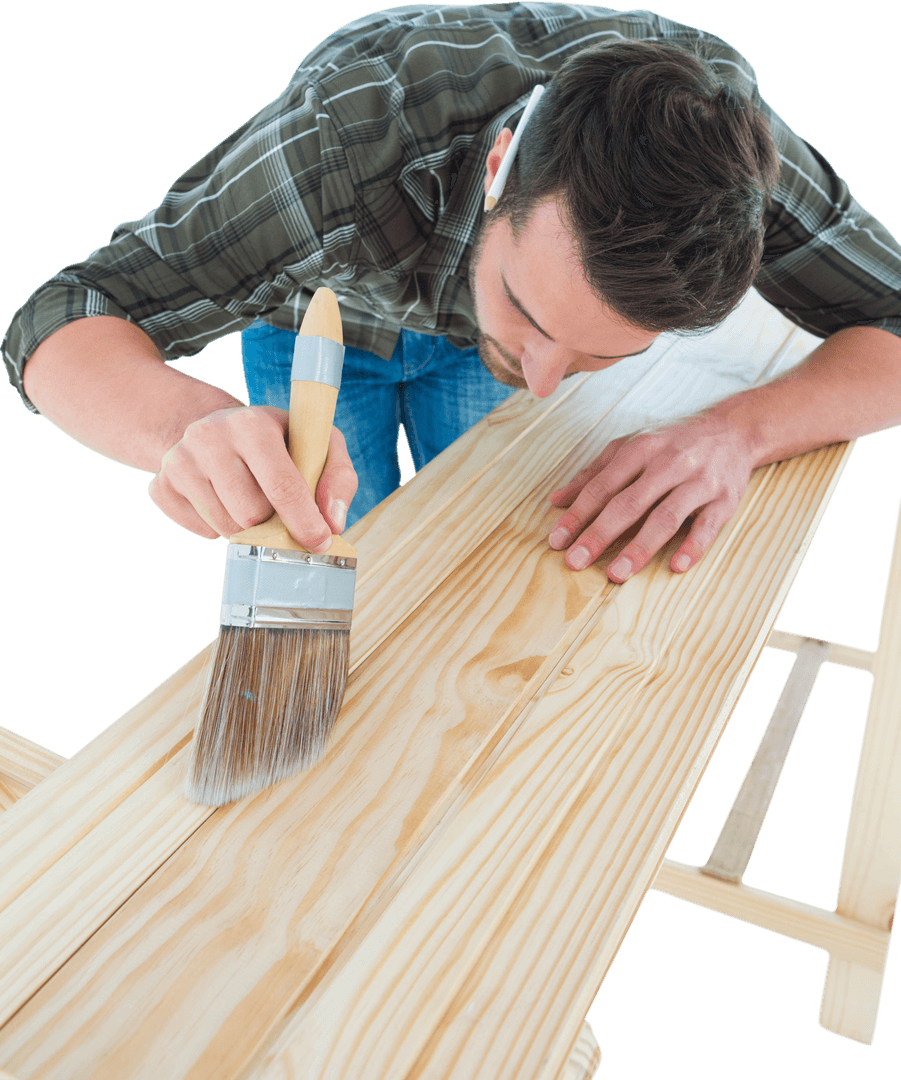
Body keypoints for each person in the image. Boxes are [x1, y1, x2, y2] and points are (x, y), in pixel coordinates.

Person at [4, 3, 901, 585]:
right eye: (531, 312)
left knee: (469, 564)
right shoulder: (344, 140)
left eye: (602, 354)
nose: (545, 384)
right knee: (313, 563)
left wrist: (736, 432)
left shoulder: (723, 152)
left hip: (448, 330)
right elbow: (62, 313)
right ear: (501, 166)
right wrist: (183, 426)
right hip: (321, 329)